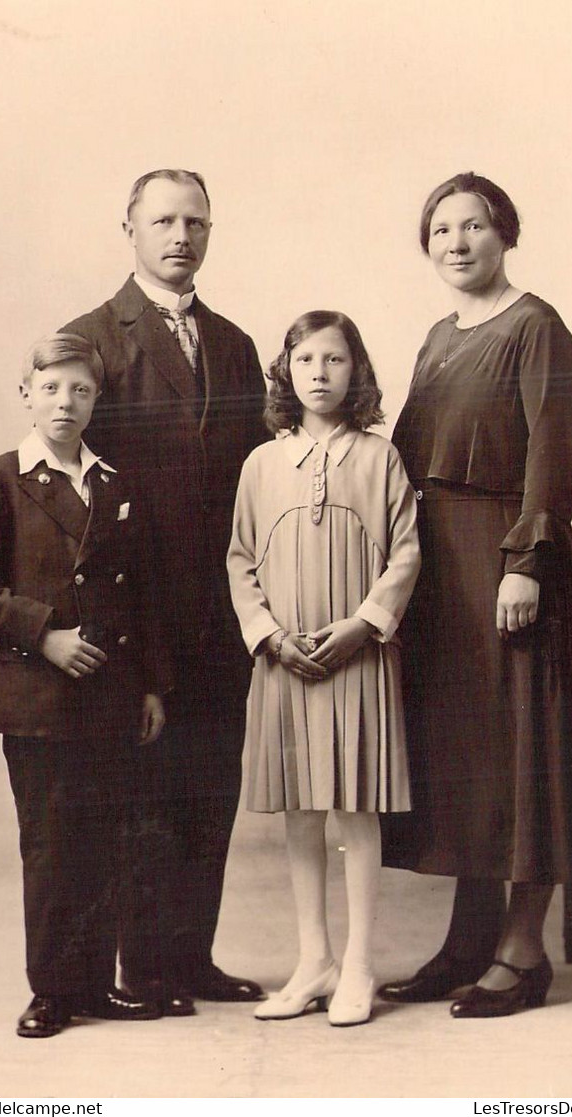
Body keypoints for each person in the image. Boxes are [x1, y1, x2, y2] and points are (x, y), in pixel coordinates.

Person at [378, 172, 572, 1018]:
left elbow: (552, 453)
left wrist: (525, 560)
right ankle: (465, 942)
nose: (456, 242)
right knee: (471, 760)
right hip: (443, 572)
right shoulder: (439, 336)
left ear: (504, 234)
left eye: (474, 225)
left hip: (514, 562)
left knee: (528, 760)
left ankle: (521, 955)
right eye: (441, 229)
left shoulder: (537, 327)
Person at [61, 169, 266, 1013]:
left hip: (224, 608)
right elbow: (67, 484)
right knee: (144, 789)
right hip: (137, 610)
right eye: (163, 221)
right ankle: (140, 966)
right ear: (130, 230)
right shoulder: (92, 337)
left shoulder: (235, 342)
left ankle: (190, 957)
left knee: (212, 783)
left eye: (196, 221)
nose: (180, 235)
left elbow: (255, 476)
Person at [0, 333, 171, 1038]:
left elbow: (139, 597)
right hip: (39, 697)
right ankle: (50, 989)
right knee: (50, 844)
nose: (65, 402)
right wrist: (44, 633)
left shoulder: (114, 482)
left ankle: (95, 985)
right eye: (51, 387)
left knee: (105, 838)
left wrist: (149, 688)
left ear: (96, 400)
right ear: (26, 393)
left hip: (109, 692)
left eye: (80, 390)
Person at [227, 310, 421, 1026]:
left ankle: (360, 964)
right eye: (305, 359)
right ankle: (315, 960)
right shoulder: (261, 463)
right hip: (285, 660)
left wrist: (364, 625)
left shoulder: (379, 459)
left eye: (334, 360)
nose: (319, 372)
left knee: (354, 807)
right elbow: (241, 560)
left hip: (355, 658)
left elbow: (405, 552)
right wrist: (269, 635)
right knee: (301, 810)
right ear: (287, 371)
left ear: (356, 372)